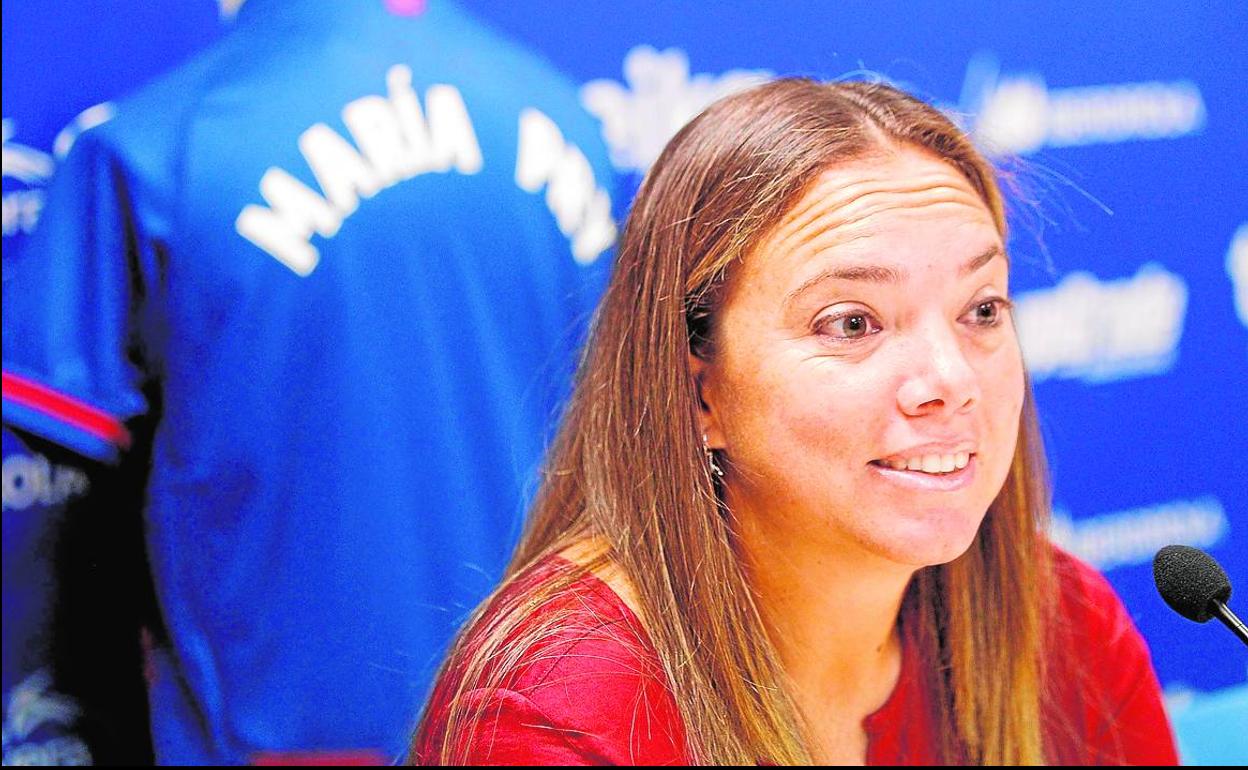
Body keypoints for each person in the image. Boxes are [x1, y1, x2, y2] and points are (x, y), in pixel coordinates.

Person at [410, 77, 1180, 765]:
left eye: (982, 309)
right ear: (698, 395)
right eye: (852, 324)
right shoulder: (556, 715)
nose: (950, 380)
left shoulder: (1062, 623)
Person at [2, 0, 616, 763]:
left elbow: (69, 425)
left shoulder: (162, 137)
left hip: (288, 734)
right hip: (541, 719)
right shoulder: (569, 120)